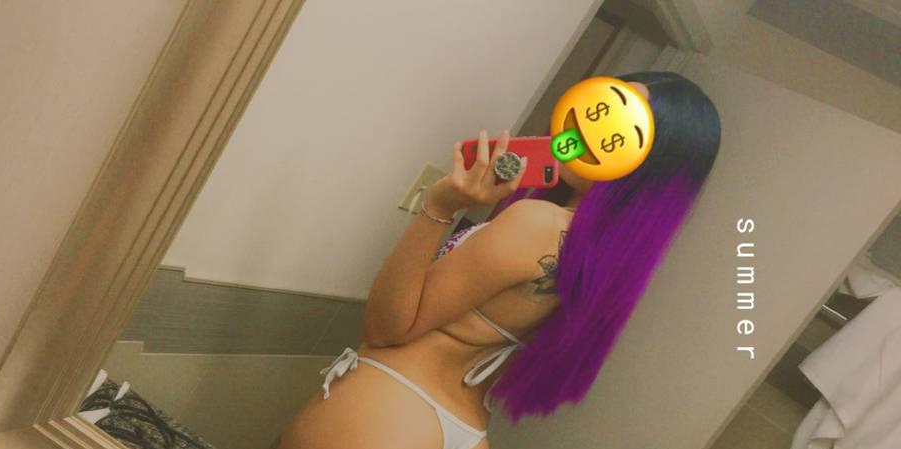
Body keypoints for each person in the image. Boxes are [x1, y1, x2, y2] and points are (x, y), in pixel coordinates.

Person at [275, 72, 721, 449]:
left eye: (616, 129)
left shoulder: (538, 223)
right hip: (462, 427)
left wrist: (439, 206)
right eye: (598, 108)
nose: (588, 129)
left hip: (388, 413)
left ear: (646, 163)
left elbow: (387, 328)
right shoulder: (601, 258)